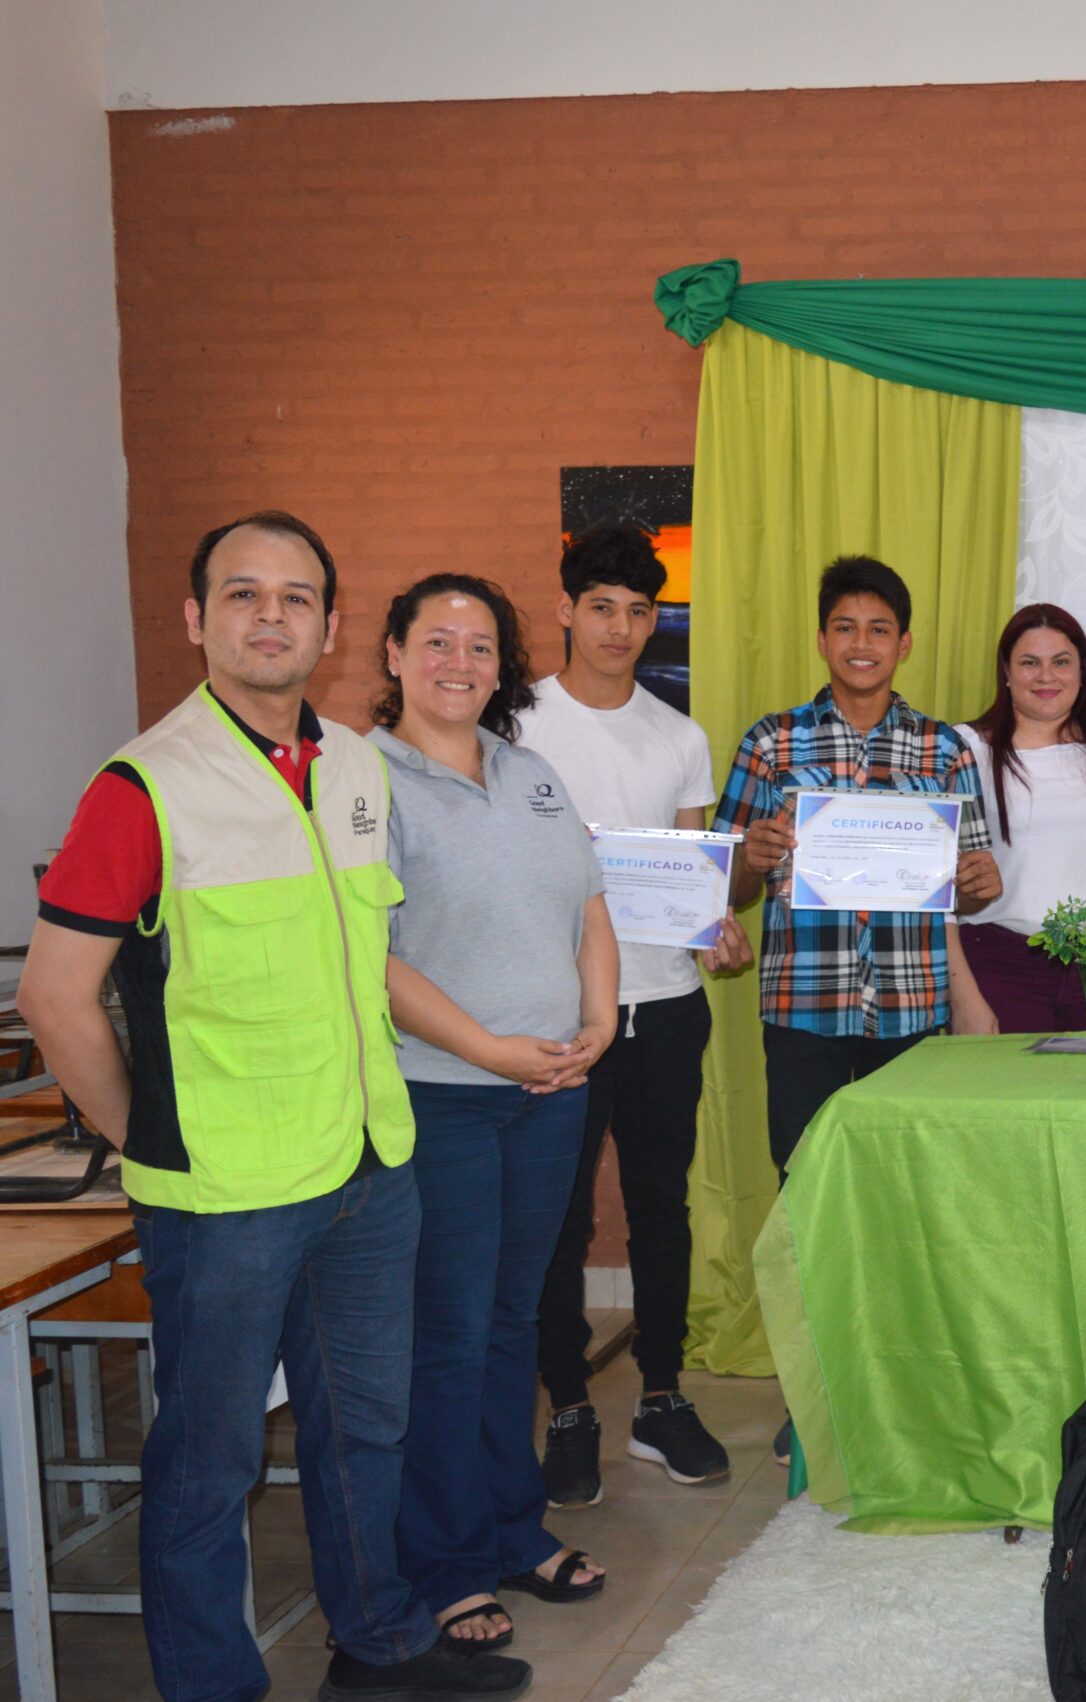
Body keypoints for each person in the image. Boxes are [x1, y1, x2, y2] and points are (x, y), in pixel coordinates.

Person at [18, 513, 532, 1701]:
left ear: (332, 627)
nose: (270, 616)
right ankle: (215, 1685)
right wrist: (143, 1130)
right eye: (241, 594)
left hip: (363, 1167)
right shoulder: (140, 784)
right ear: (197, 619)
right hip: (227, 1194)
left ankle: (380, 1644)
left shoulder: (354, 765)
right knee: (211, 1461)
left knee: (366, 1432)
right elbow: (57, 998)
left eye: (296, 597)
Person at [368, 574, 621, 1647]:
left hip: (550, 1095)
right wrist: (488, 1049)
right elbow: (365, 954)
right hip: (446, 1098)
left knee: (512, 1322)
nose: (459, 661)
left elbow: (590, 905)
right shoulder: (362, 778)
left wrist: (599, 1021)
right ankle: (447, 1561)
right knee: (449, 1334)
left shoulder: (534, 773)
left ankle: (514, 1529)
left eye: (478, 645)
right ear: (391, 653)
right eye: (436, 641)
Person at [715, 554, 1000, 1466]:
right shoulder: (772, 742)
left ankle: (901, 1391)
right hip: (804, 1009)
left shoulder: (946, 749)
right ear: (822, 638)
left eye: (880, 629)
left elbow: (978, 884)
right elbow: (723, 886)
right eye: (846, 627)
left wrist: (980, 879)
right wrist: (752, 858)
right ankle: (816, 1392)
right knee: (811, 1206)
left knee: (903, 1207)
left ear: (905, 643)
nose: (862, 644)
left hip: (914, 1012)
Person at [517, 524, 749, 1510]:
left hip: (665, 1004)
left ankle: (661, 1396)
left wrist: (716, 929)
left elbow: (690, 882)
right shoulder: (513, 721)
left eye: (638, 610)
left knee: (662, 1204)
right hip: (554, 1011)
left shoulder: (678, 735)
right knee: (557, 1218)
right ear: (566, 608)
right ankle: (568, 1407)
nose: (619, 627)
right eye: (602, 606)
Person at [957, 603, 1086, 1031]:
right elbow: (945, 882)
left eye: (1061, 662)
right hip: (1001, 962)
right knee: (1013, 1097)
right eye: (1029, 663)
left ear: (1082, 671)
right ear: (1005, 671)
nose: (1046, 676)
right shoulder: (969, 748)